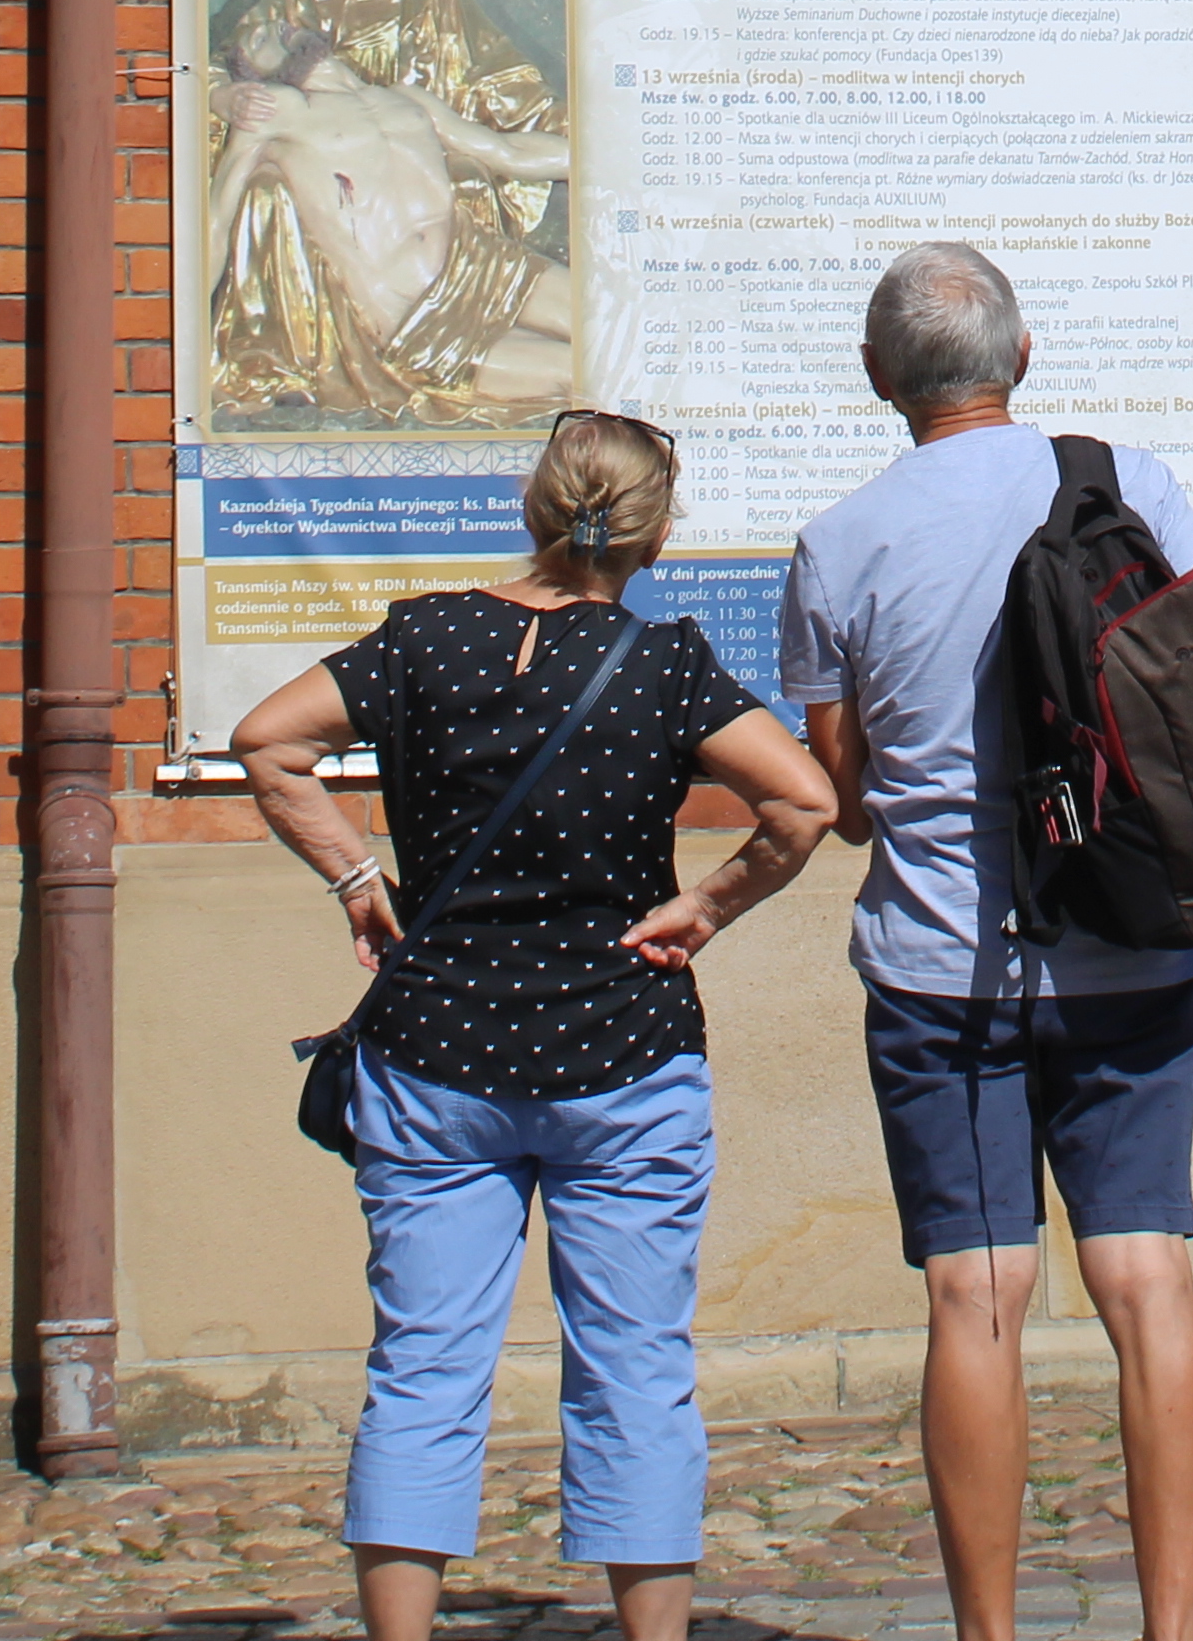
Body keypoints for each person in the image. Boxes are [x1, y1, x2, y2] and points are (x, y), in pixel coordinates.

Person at [231, 411, 838, 1641]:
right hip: (624, 1055)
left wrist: (359, 876)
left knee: (423, 1368)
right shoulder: (664, 664)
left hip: (436, 1051)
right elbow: (805, 798)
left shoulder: (425, 636)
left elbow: (267, 740)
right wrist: (706, 906)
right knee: (633, 1370)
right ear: (657, 531)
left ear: (532, 506)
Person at [779, 244, 1193, 1641]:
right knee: (1146, 1276)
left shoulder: (839, 544)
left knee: (976, 1299)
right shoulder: (1124, 488)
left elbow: (849, 798)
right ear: (1025, 358)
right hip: (1130, 949)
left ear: (881, 380)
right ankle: (1171, 1631)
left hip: (947, 970)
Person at [198, 0, 579, 422]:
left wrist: (616, 153)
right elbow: (218, 219)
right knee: (589, 371)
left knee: (620, 325)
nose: (272, 29)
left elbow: (509, 147)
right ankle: (279, 361)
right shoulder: (280, 108)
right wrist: (225, 95)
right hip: (418, 318)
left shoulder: (407, 91)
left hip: (483, 264)